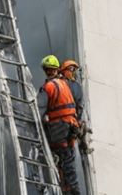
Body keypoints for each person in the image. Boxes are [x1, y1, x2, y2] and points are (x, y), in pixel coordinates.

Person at [39, 55, 81, 195]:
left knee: (58, 157)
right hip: (71, 126)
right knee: (68, 160)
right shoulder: (66, 84)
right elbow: (77, 104)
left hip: (59, 128)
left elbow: (40, 109)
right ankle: (71, 191)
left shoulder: (49, 87)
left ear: (46, 70)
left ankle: (65, 190)